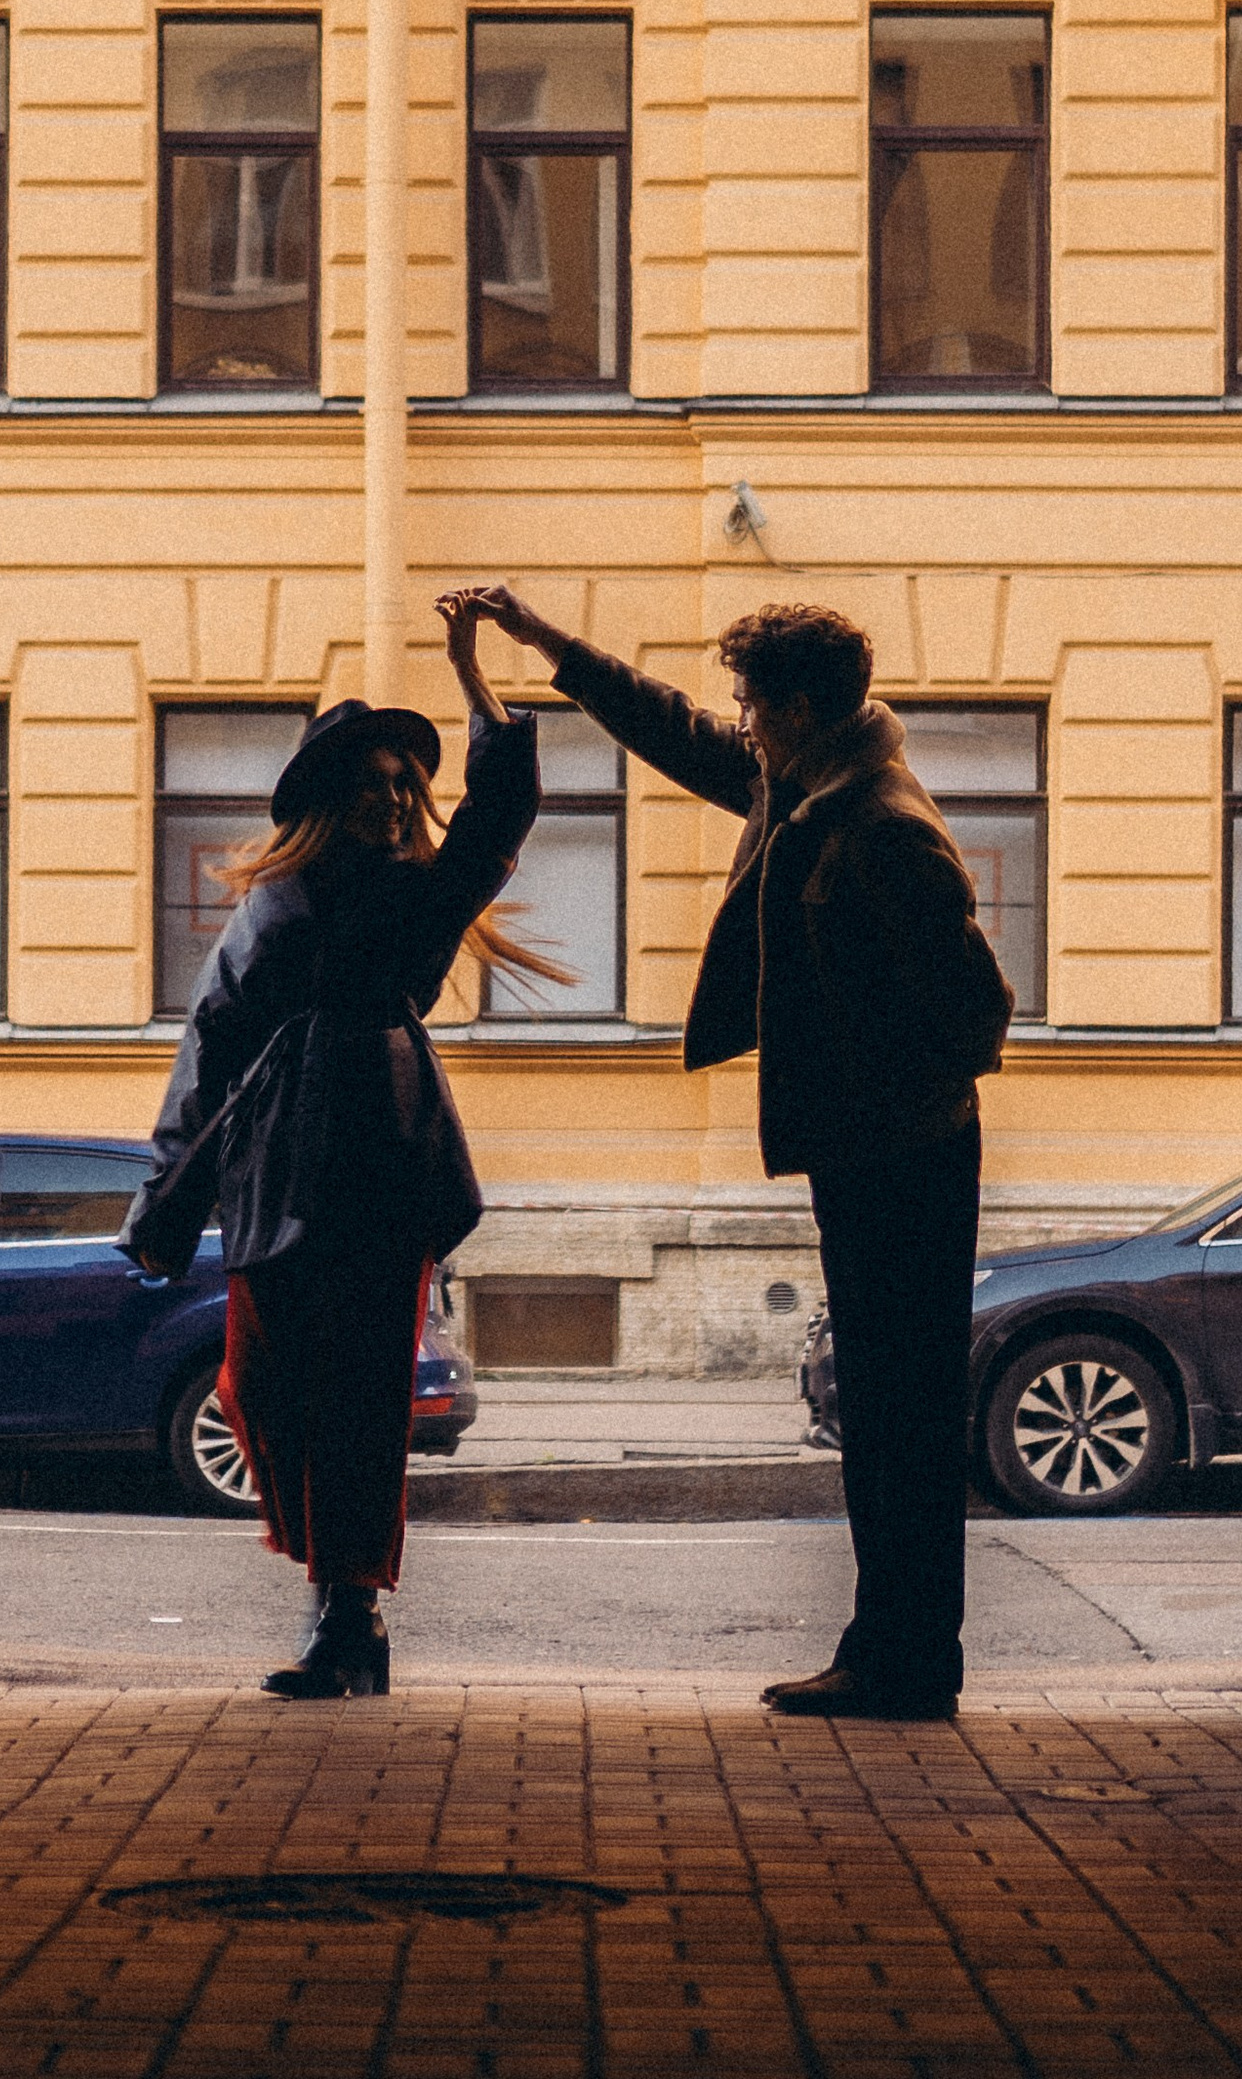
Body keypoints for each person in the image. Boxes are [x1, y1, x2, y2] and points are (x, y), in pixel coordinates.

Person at [444, 586, 1012, 1719]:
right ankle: (891, 1652)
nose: (739, 718)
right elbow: (672, 728)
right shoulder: (807, 784)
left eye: (753, 700)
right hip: (870, 1149)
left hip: (904, 1155)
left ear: (800, 707)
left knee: (900, 1418)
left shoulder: (880, 827)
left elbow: (976, 1011)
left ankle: (904, 1661)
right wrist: (545, 645)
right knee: (885, 1413)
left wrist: (870, 1079)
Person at [121, 598, 565, 1696]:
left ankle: (346, 1615)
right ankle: (336, 1595)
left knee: (359, 1399)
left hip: (380, 1152)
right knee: (254, 1387)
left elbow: (498, 813)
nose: (383, 801)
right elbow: (212, 1042)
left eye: (396, 788)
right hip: (276, 1162)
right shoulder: (274, 901)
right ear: (324, 802)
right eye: (363, 786)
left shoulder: (423, 894)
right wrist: (163, 1191)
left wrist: (470, 675)